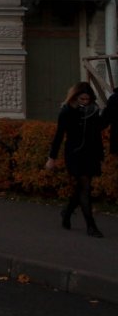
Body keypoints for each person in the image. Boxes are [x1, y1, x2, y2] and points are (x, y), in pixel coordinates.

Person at [46, 81, 106, 237]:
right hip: (74, 154)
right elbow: (59, 135)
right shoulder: (66, 112)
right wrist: (52, 157)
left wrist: (100, 154)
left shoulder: (93, 111)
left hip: (90, 153)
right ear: (75, 97)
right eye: (82, 99)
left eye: (88, 99)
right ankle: (91, 226)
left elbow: (97, 131)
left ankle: (66, 212)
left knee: (82, 188)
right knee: (85, 187)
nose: (85, 102)